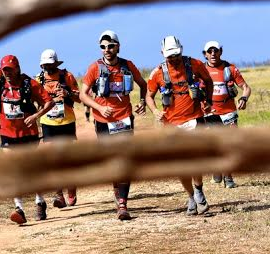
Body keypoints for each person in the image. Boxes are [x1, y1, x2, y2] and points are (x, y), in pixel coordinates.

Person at [79, 30, 147, 220]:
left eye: (110, 46)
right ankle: (117, 194)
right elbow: (83, 94)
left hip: (124, 119)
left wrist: (142, 102)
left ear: (118, 46)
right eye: (103, 47)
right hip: (103, 122)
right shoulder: (95, 68)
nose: (107, 50)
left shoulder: (127, 65)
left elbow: (143, 84)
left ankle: (123, 204)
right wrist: (98, 108)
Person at [145, 36, 215, 216]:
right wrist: (155, 111)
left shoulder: (195, 64)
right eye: (170, 56)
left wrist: (208, 100)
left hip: (194, 118)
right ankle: (191, 196)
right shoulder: (157, 73)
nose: (174, 59)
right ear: (162, 54)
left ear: (181, 50)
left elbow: (208, 81)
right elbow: (149, 96)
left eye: (176, 55)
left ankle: (199, 190)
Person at [0, 55, 54, 225]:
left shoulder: (29, 84)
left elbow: (49, 102)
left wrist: (36, 116)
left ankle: (40, 201)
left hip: (28, 133)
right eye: (4, 70)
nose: (7, 73)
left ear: (17, 68)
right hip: (7, 133)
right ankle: (19, 208)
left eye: (10, 69)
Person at [201, 40, 252, 188]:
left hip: (228, 112)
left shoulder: (230, 69)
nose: (213, 54)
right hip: (209, 114)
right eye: (209, 51)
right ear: (205, 54)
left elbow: (246, 88)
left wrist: (244, 98)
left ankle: (228, 178)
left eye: (215, 51)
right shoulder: (200, 70)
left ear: (220, 52)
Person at [37, 49, 81, 208]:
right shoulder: (38, 79)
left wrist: (67, 93)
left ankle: (71, 188)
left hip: (67, 121)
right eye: (45, 65)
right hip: (48, 123)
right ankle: (58, 195)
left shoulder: (67, 76)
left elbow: (79, 98)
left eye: (51, 64)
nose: (48, 67)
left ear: (56, 63)